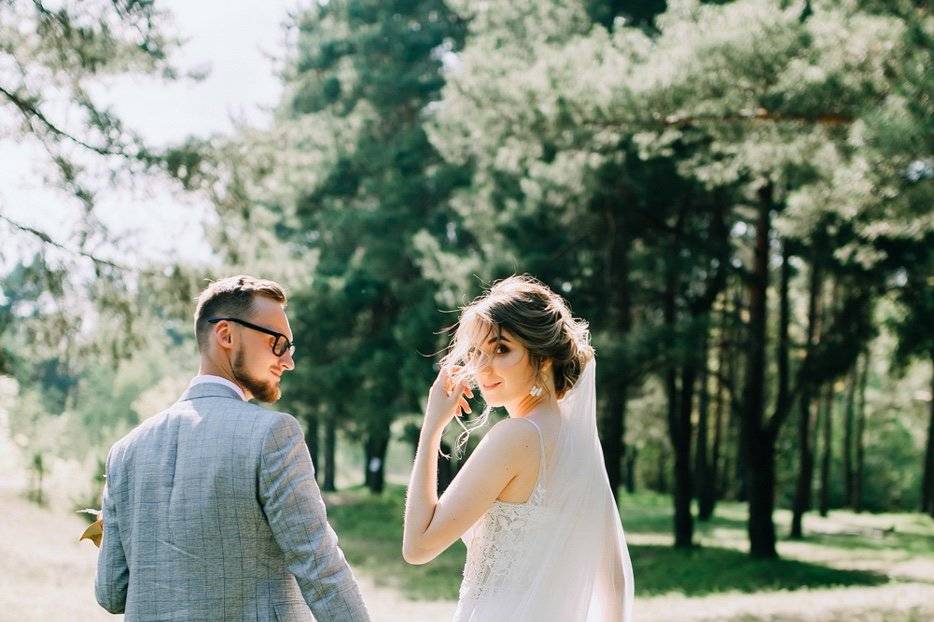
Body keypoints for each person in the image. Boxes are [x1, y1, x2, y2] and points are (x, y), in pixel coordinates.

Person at [95, 275, 370, 621]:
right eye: (278, 343)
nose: (288, 361)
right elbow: (319, 567)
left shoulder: (124, 452)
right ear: (225, 334)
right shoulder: (271, 434)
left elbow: (110, 592)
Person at [403, 275, 634, 621]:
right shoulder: (579, 444)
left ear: (542, 357)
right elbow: (612, 579)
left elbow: (418, 546)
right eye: (477, 352)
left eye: (501, 349)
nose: (482, 367)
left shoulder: (515, 438)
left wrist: (432, 427)